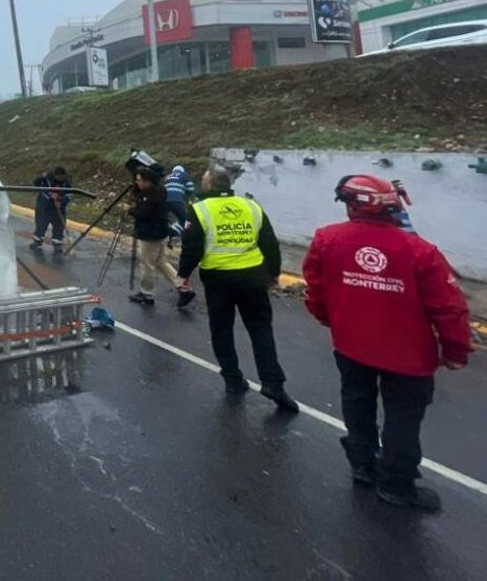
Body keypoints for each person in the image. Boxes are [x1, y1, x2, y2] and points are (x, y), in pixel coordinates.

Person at [303, 174, 472, 512]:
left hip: (350, 346)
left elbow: (316, 290)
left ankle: (363, 467)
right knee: (403, 419)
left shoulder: (326, 240)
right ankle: (396, 485)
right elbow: (449, 308)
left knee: (357, 406)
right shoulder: (421, 251)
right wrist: (455, 352)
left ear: (353, 205)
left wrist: (329, 320)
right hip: (408, 357)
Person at [178, 165, 298, 412]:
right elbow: (269, 242)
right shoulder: (250, 206)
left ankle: (233, 380)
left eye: (203, 180)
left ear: (209, 185)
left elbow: (192, 247)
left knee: (222, 330)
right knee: (260, 329)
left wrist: (183, 275)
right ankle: (273, 383)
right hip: (253, 277)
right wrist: (274, 273)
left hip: (218, 279)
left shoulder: (199, 209)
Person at [127, 166, 194, 308]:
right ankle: (183, 288)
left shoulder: (150, 196)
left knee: (147, 265)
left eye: (139, 180)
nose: (137, 182)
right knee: (161, 263)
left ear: (147, 181)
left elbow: (143, 213)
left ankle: (147, 294)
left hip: (151, 235)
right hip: (162, 233)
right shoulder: (160, 191)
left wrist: (129, 210)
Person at [31, 166, 72, 247]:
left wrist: (61, 200)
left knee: (59, 226)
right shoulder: (46, 179)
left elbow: (69, 195)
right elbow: (35, 183)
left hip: (58, 208)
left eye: (63, 177)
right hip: (44, 207)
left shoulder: (66, 183)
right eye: (59, 177)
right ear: (55, 175)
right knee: (41, 225)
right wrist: (49, 193)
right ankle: (37, 240)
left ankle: (57, 242)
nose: (61, 179)